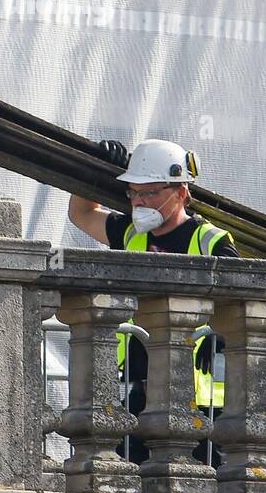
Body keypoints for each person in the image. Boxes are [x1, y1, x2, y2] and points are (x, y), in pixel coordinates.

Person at [67, 138, 238, 467]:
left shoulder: (210, 242)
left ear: (181, 191)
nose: (141, 202)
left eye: (151, 193)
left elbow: (235, 311)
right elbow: (81, 213)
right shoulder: (132, 234)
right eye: (134, 192)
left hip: (200, 402)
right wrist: (94, 170)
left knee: (204, 488)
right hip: (142, 395)